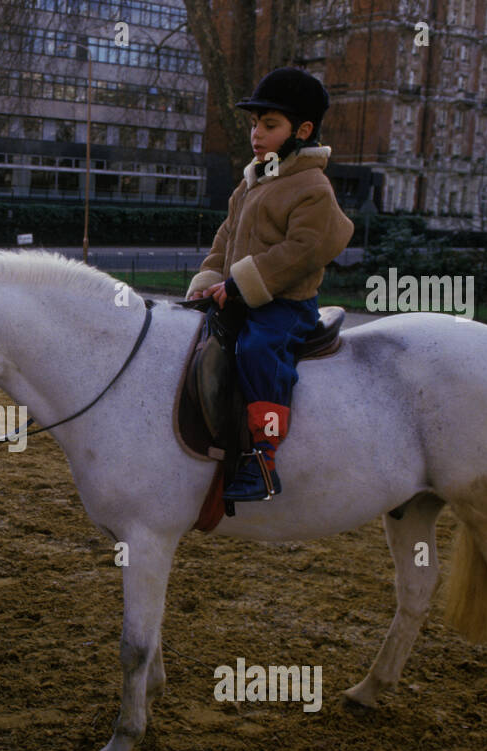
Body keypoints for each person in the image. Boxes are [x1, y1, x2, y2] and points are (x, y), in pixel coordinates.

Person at [186, 67, 353, 502]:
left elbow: (304, 249)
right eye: (255, 125)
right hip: (241, 295)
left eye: (269, 125)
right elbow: (226, 238)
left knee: (260, 351)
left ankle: (263, 460)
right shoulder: (251, 182)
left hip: (284, 305)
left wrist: (242, 285)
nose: (256, 134)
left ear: (303, 130)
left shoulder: (312, 187)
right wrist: (209, 279)